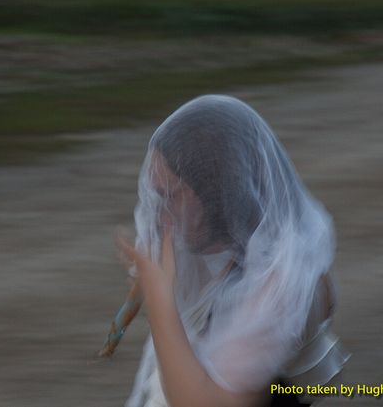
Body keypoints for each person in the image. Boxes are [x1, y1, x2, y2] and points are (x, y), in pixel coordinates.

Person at [117, 94, 350, 407]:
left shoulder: (285, 281)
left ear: (216, 195)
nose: (158, 216)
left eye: (169, 196)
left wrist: (160, 301)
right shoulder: (210, 249)